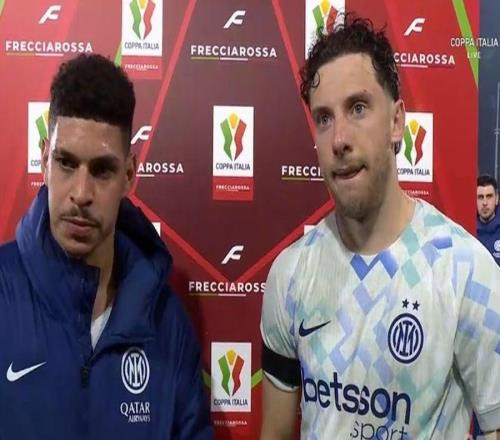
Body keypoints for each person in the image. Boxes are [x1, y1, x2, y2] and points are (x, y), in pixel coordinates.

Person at [260, 15, 500, 440]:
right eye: (324, 118)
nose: (339, 139)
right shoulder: (291, 274)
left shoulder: (467, 272)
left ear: (396, 122)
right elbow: (275, 433)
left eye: (357, 108)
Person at [0, 54, 213, 439]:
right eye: (66, 163)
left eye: (102, 170)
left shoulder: (167, 325)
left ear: (129, 175)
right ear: (45, 159)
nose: (81, 193)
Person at [477, 174, 500, 266]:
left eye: (489, 196)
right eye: (480, 197)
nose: (485, 203)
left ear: (497, 199)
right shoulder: (467, 232)